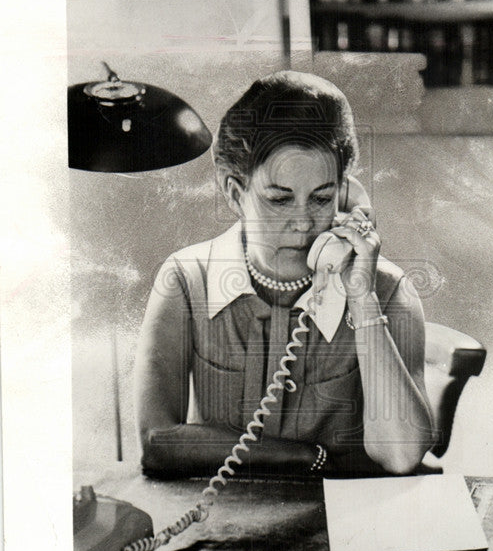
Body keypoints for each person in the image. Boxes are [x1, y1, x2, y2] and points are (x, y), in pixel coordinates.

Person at [134, 70, 434, 480]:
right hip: (228, 521)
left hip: (346, 528)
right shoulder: (185, 281)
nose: (303, 223)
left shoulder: (389, 289)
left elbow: (400, 457)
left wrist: (362, 299)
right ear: (235, 193)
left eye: (322, 198)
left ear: (346, 195)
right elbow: (158, 442)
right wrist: (306, 457)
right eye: (279, 199)